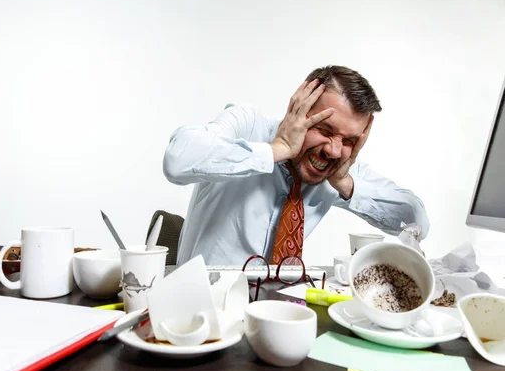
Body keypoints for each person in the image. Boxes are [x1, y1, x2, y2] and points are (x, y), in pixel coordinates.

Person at [163, 65, 429, 266]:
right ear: (299, 107)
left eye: (348, 139)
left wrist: (344, 184)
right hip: (205, 315)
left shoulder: (339, 168)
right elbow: (177, 160)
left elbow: (416, 223)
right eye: (324, 129)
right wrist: (276, 150)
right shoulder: (249, 125)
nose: (333, 150)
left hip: (278, 317)